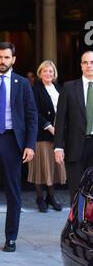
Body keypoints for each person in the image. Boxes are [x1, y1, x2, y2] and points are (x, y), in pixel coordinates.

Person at [0, 42, 38, 252]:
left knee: (14, 192)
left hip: (12, 142)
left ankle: (11, 238)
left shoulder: (22, 84)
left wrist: (30, 145)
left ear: (13, 59)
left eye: (7, 58)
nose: (3, 61)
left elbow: (31, 116)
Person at [55, 50, 93, 202]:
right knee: (77, 192)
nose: (89, 65)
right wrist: (58, 147)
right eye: (85, 62)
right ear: (81, 66)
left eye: (92, 62)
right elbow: (60, 119)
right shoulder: (69, 87)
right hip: (75, 147)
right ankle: (77, 225)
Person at [28, 60, 66, 212]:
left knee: (53, 167)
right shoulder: (35, 89)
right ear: (40, 73)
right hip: (41, 134)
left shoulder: (59, 88)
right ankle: (39, 198)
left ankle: (51, 197)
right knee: (40, 168)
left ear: (54, 73)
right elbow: (34, 111)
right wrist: (49, 127)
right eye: (45, 71)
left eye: (50, 71)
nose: (48, 74)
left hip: (58, 135)